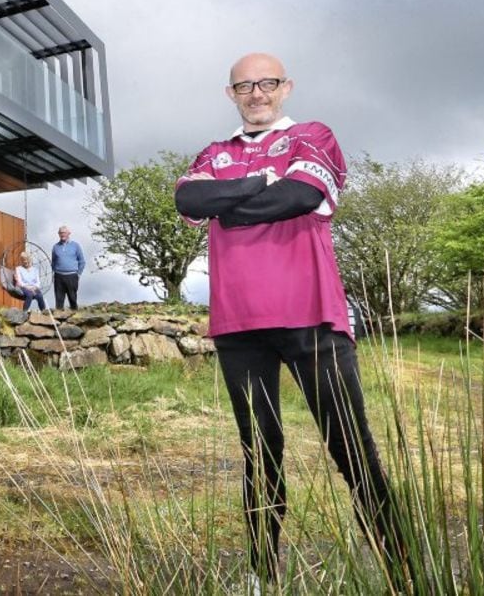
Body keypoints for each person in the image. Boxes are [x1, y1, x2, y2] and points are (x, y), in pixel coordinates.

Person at [173, 53, 404, 589]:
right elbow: (189, 196)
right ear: (230, 93)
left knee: (351, 446)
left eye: (267, 83)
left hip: (312, 318)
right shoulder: (214, 151)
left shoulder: (312, 135)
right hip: (237, 324)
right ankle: (262, 576)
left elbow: (300, 195)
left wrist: (231, 199)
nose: (257, 93)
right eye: (245, 85)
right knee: (260, 451)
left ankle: (404, 567)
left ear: (286, 87)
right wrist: (263, 183)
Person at [50, 225, 86, 310]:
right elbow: (53, 261)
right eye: (61, 233)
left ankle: (75, 318)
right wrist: (55, 271)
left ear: (69, 233)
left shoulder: (75, 246)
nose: (62, 234)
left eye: (64, 233)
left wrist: (78, 274)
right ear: (58, 234)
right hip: (58, 277)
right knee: (59, 301)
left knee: (72, 299)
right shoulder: (55, 247)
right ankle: (59, 321)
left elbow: (82, 261)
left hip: (72, 276)